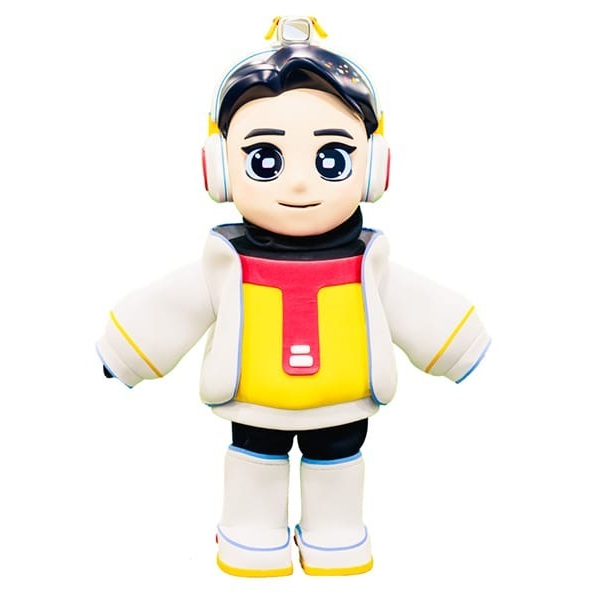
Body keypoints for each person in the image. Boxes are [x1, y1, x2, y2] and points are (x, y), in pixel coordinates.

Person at [96, 16, 490, 577]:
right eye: (266, 160)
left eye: (331, 159)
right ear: (219, 169)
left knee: (339, 468)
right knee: (254, 465)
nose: (301, 183)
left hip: (343, 402)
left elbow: (415, 305)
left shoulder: (367, 261)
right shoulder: (226, 261)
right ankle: (252, 533)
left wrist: (461, 346)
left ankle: (335, 535)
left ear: (375, 168)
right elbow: (175, 306)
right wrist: (125, 351)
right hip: (255, 401)